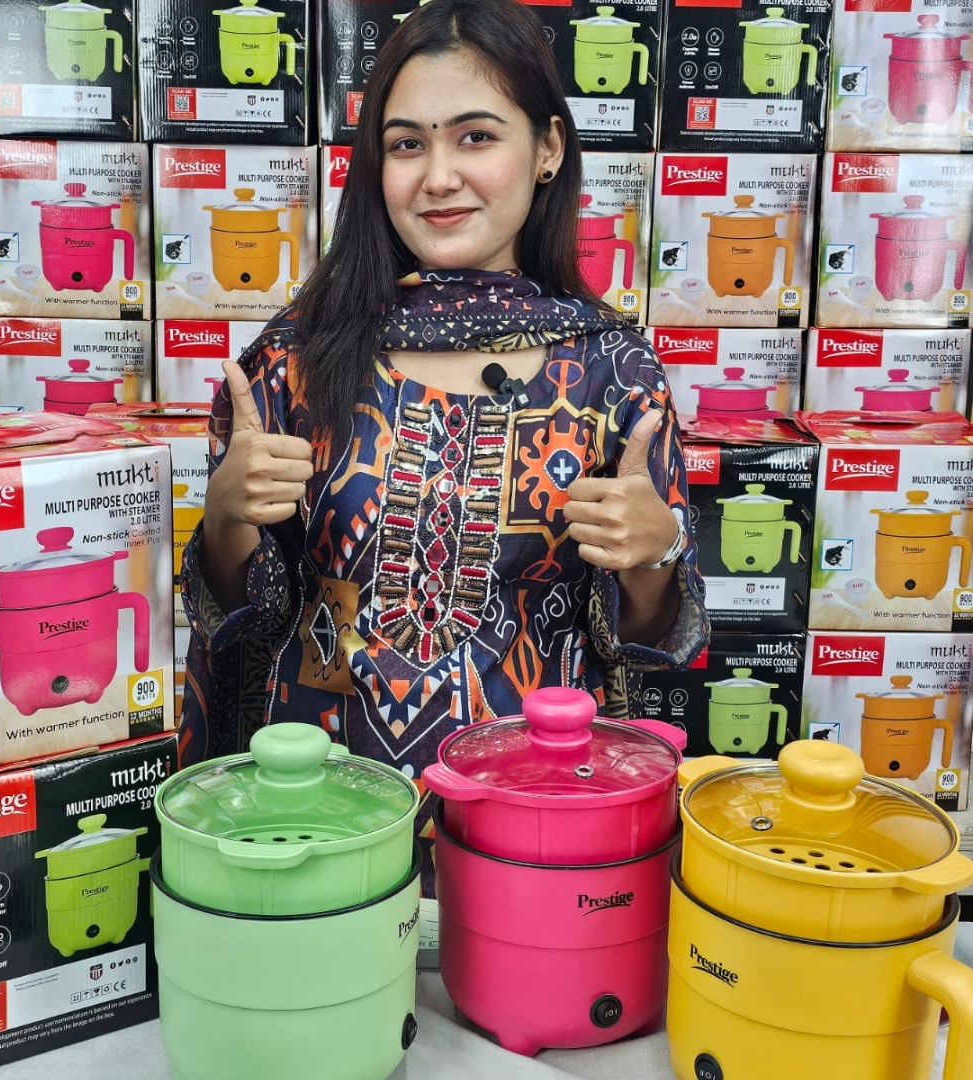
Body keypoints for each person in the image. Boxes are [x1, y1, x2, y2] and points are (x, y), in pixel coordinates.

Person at [179, 0, 708, 892]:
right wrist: (226, 521)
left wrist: (654, 555)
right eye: (407, 144)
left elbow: (650, 643)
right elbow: (238, 625)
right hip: (319, 821)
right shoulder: (295, 360)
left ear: (547, 148)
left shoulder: (614, 370)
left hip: (529, 824)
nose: (438, 176)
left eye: (475, 137)